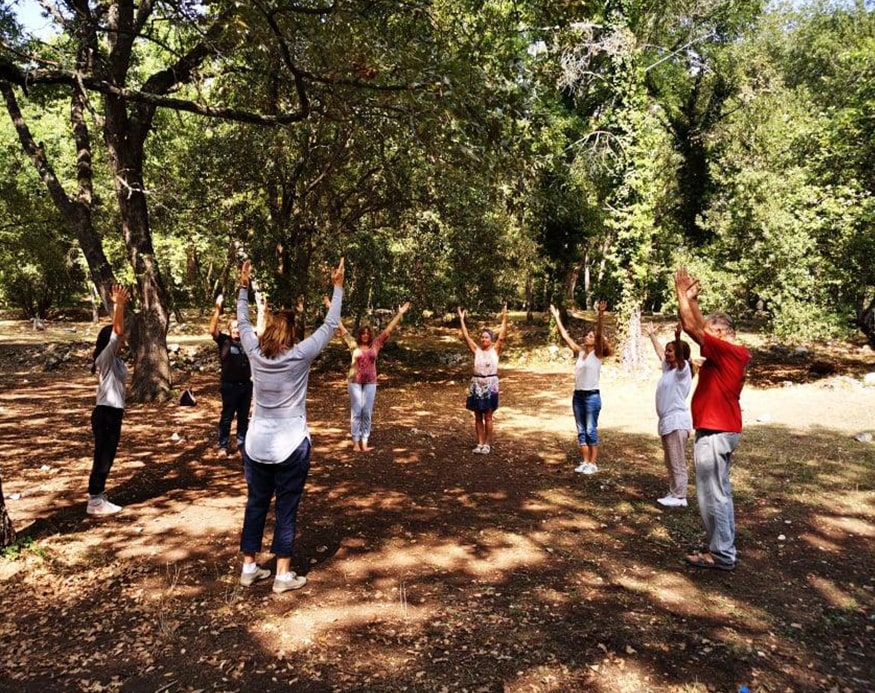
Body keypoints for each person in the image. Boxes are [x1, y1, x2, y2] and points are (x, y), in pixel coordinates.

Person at [235, 256, 344, 593]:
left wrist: (243, 287)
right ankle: (282, 575)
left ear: (268, 331)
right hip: (291, 442)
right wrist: (338, 288)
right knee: (286, 506)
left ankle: (249, 567)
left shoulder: (254, 352)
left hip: (257, 442)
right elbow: (330, 325)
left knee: (256, 503)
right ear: (291, 335)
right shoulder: (299, 355)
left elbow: (242, 322)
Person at [675, 267, 750, 571]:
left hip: (717, 430)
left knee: (712, 495)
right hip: (719, 429)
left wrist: (681, 293)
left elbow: (692, 328)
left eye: (710, 331)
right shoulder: (730, 352)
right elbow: (695, 325)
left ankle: (721, 554)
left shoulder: (729, 351)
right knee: (720, 492)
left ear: (720, 333)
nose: (705, 336)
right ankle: (721, 547)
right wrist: (691, 300)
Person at [337, 302, 411, 452]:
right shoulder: (353, 344)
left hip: (370, 382)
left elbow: (388, 329)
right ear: (360, 335)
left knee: (367, 412)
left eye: (367, 333)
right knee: (356, 411)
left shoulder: (376, 344)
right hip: (354, 382)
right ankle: (356, 442)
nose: (365, 335)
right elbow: (341, 328)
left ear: (370, 335)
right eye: (363, 333)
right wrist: (330, 307)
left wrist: (400, 313)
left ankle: (364, 441)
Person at [549, 301, 612, 475]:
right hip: (578, 396)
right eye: (587, 336)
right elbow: (565, 336)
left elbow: (599, 332)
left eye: (591, 336)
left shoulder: (597, 354)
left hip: (592, 396)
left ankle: (593, 463)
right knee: (581, 430)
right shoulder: (580, 352)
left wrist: (600, 315)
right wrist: (556, 317)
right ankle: (585, 462)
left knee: (591, 429)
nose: (587, 337)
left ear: (596, 341)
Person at [87, 284, 129, 516]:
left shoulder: (116, 362)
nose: (123, 343)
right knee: (103, 455)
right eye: (120, 341)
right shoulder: (105, 358)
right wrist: (118, 306)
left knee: (108, 455)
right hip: (106, 413)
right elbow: (117, 333)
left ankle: (99, 495)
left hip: (113, 412)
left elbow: (119, 335)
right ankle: (95, 500)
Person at [646, 321, 693, 507]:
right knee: (670, 460)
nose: (667, 353)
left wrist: (678, 337)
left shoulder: (683, 370)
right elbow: (659, 353)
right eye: (668, 350)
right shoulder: (668, 369)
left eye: (671, 351)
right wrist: (652, 335)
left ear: (680, 354)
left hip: (677, 421)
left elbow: (680, 358)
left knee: (677, 460)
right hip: (667, 421)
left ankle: (680, 496)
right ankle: (674, 492)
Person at [458, 305, 508, 454]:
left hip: (490, 384)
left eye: (486, 337)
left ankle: (487, 444)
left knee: (488, 415)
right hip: (477, 384)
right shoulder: (477, 351)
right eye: (482, 337)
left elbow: (502, 337)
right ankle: (479, 443)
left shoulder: (495, 351)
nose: (483, 339)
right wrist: (461, 319)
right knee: (478, 416)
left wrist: (505, 317)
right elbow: (466, 337)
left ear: (491, 340)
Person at [209, 294, 252, 457]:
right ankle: (223, 446)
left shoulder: (247, 342)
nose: (236, 330)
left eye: (238, 327)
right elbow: (212, 330)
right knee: (227, 417)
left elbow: (261, 333)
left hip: (246, 386)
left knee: (243, 418)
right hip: (229, 386)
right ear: (229, 329)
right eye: (233, 327)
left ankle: (242, 446)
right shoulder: (224, 341)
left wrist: (264, 311)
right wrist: (217, 309)